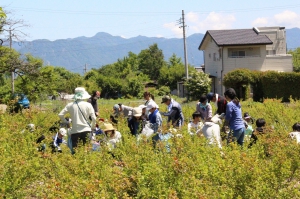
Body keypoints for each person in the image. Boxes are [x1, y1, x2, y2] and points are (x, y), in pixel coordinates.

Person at [58, 87, 96, 154]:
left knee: (75, 152)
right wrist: (92, 127)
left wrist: (66, 122)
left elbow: (60, 115)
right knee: (87, 151)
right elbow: (94, 118)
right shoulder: (88, 105)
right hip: (86, 130)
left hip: (75, 131)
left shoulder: (70, 105)